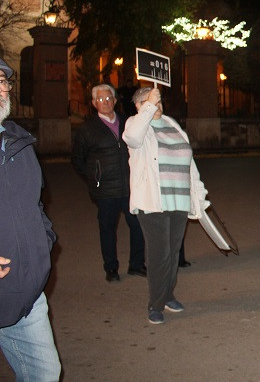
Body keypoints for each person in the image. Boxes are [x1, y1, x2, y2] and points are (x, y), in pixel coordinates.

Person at [123, 86, 210, 325]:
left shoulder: (172, 124)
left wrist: (199, 194)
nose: (156, 105)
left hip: (179, 201)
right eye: (150, 102)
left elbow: (189, 163)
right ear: (139, 106)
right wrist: (148, 107)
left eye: (158, 101)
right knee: (159, 255)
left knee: (172, 254)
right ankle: (155, 303)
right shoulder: (136, 125)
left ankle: (168, 294)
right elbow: (132, 138)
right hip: (152, 202)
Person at [0, 57, 62, 380]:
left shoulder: (19, 143)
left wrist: (42, 241)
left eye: (2, 81)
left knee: (46, 373)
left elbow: (35, 204)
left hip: (27, 291)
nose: (0, 89)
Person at [72, 83, 146, 282]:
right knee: (107, 229)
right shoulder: (87, 129)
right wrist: (95, 176)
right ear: (94, 103)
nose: (105, 102)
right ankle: (111, 268)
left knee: (138, 225)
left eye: (108, 98)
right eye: (100, 99)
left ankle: (137, 265)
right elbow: (78, 159)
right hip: (105, 190)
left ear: (115, 100)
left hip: (130, 186)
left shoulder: (128, 122)